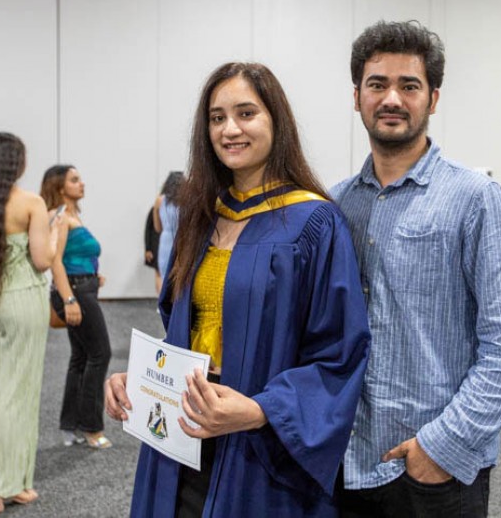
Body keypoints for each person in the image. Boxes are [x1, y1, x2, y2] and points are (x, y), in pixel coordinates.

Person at [105, 62, 370, 517]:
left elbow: (339, 353)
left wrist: (262, 410)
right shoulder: (201, 216)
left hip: (258, 441)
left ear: (275, 121)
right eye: (217, 117)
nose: (230, 129)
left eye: (246, 113)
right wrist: (144, 383)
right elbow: (181, 328)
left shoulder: (314, 223)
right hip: (181, 425)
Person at [331, 20, 501, 518]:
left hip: (432, 472)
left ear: (433, 98)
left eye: (410, 85)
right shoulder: (335, 204)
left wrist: (442, 446)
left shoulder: (477, 201)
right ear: (356, 96)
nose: (392, 99)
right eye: (378, 84)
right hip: (346, 462)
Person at [0, 133, 59, 514]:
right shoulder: (30, 203)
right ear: (15, 164)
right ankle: (10, 486)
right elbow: (42, 260)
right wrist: (53, 229)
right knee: (15, 392)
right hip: (19, 301)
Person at [41, 165, 112, 449]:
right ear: (60, 188)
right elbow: (55, 261)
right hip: (75, 292)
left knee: (81, 357)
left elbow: (74, 256)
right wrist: (69, 299)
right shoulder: (59, 217)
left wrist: (95, 276)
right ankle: (91, 428)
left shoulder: (73, 216)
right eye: (74, 180)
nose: (81, 183)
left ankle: (72, 426)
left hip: (83, 287)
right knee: (100, 353)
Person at [153, 171, 184, 285]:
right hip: (183, 240)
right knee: (181, 276)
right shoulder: (187, 200)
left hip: (166, 241)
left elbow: (157, 228)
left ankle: (164, 302)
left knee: (165, 276)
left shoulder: (160, 200)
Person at [144, 206, 161, 294]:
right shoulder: (155, 208)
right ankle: (160, 300)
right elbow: (148, 229)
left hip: (161, 244)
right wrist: (148, 249)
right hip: (156, 245)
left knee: (159, 274)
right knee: (158, 273)